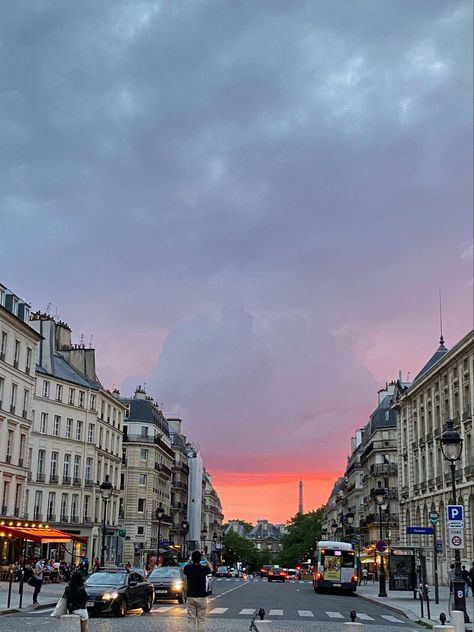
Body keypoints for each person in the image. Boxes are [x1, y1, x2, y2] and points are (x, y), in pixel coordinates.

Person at [183, 550, 213, 628]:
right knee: (201, 620)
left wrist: (190, 559)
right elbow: (211, 568)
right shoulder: (203, 569)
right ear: (200, 559)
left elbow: (183, 569)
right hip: (201, 596)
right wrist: (204, 558)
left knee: (191, 619)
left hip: (190, 596)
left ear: (192, 559)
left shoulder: (188, 568)